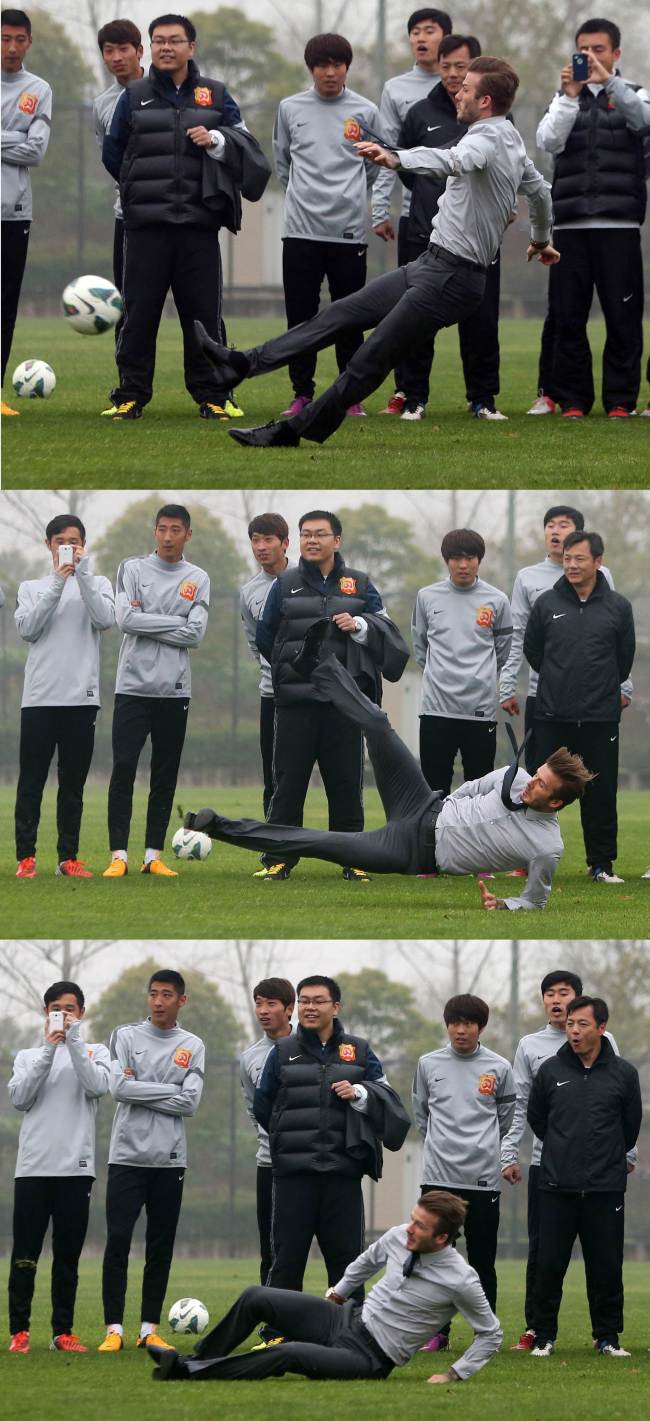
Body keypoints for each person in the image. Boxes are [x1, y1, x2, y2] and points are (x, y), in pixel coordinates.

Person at [195, 57, 558, 447]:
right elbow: (539, 192)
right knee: (339, 314)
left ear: (485, 101)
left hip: (453, 278)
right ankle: (242, 364)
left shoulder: (483, 140)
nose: (458, 91)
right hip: (430, 265)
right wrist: (539, 238)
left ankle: (292, 431)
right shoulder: (510, 138)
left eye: (466, 88)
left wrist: (398, 156)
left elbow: (452, 160)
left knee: (371, 356)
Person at [186, 650, 595, 911]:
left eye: (542, 786)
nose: (531, 785)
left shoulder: (547, 847)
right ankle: (319, 664)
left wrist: (505, 905)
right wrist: (449, 807)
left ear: (557, 803)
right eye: (537, 775)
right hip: (421, 803)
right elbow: (473, 788)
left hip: (408, 851)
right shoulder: (517, 776)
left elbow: (536, 901)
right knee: (379, 725)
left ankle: (215, 825)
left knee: (314, 842)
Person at [148, 1190, 503, 1382]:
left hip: (368, 1357)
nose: (409, 1228)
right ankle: (198, 1358)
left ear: (442, 1238)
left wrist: (454, 1373)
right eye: (412, 1219)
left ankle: (186, 1372)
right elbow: (367, 1261)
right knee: (255, 1296)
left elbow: (490, 1334)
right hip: (344, 1319)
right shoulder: (399, 1236)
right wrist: (338, 1292)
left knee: (286, 1353)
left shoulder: (461, 1279)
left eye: (420, 1226)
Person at [100, 12, 254, 421]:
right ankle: (130, 395)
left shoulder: (216, 94)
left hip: (198, 226)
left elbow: (245, 143)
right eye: (158, 41)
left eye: (174, 40)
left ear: (192, 47)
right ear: (151, 48)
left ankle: (213, 395)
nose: (166, 47)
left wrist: (216, 139)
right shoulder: (133, 96)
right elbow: (113, 153)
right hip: (145, 227)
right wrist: (138, 190)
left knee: (203, 315)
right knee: (139, 313)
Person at [252, 508, 407, 883]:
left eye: (320, 534)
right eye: (306, 534)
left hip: (343, 702)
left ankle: (353, 859)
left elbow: (387, 630)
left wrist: (360, 625)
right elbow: (265, 637)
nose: (312, 541)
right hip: (295, 704)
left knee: (345, 784)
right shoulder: (284, 583)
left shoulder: (360, 583)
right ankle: (279, 858)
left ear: (337, 540)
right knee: (288, 784)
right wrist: (291, 668)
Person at [501, 969, 635, 1352]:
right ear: (544, 1001)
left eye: (566, 995)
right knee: (545, 1258)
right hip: (552, 1173)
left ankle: (606, 1337)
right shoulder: (536, 1053)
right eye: (551, 994)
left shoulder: (616, 1059)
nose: (558, 1002)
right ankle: (538, 1333)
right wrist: (522, 1150)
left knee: (606, 1262)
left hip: (604, 1179)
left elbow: (626, 1117)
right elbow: (529, 1110)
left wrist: (620, 1153)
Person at [535, 17, 650, 418]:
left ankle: (620, 401)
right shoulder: (564, 98)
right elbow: (548, 140)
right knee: (569, 318)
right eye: (583, 50)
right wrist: (569, 95)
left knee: (623, 317)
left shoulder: (636, 94)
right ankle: (573, 400)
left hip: (619, 226)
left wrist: (611, 83)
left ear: (616, 53)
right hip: (570, 226)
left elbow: (644, 122)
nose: (590, 57)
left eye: (598, 49)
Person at [250, 974, 388, 1300]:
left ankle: (350, 1333)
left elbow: (386, 1099)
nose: (310, 1008)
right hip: (292, 1177)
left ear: (335, 1007)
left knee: (347, 1264)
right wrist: (289, 1139)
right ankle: (279, 1332)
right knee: (286, 1260)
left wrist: (359, 1094)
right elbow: (263, 1105)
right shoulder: (283, 1051)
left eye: (318, 1001)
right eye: (305, 1001)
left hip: (343, 1175)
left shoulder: (359, 1051)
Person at [396, 34, 507, 421]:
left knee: (481, 324)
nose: (454, 75)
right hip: (427, 236)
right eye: (447, 67)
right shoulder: (419, 114)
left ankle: (482, 400)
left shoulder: (492, 121)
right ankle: (414, 398)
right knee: (416, 322)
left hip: (479, 243)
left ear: (476, 71)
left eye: (462, 67)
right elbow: (411, 169)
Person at [273, 32, 382, 419]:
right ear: (311, 68)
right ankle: (301, 393)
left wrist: (350, 199)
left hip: (348, 231)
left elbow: (374, 166)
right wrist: (303, 199)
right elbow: (283, 163)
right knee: (299, 318)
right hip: (300, 231)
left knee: (350, 318)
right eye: (322, 65)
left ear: (347, 68)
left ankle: (348, 395)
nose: (330, 72)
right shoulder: (289, 108)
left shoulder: (366, 112)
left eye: (337, 64)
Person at [99, 969, 205, 1352]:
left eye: (167, 995)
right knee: (118, 1242)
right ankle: (114, 1330)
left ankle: (148, 1329)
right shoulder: (125, 1036)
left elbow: (190, 1103)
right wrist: (169, 1089)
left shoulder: (192, 1044)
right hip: (126, 1157)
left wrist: (139, 1089)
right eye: (153, 994)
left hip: (170, 1162)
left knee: (160, 1248)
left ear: (181, 1000)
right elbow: (119, 1088)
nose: (158, 1001)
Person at [102, 504, 209, 878]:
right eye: (162, 529)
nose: (167, 536)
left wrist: (147, 621)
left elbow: (195, 635)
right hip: (132, 687)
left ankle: (152, 856)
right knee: (124, 769)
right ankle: (119, 856)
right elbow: (125, 621)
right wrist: (175, 620)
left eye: (175, 530)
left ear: (187, 535)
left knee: (164, 776)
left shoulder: (198, 577)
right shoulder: (132, 569)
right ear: (154, 532)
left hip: (174, 692)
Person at [523, 530, 635, 884]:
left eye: (579, 559)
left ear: (598, 562)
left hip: (600, 718)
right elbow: (534, 651)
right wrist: (561, 680)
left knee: (601, 794)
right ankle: (531, 860)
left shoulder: (618, 607)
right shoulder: (547, 604)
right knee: (541, 790)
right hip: (553, 715)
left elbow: (624, 658)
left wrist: (598, 687)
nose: (571, 564)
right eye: (567, 558)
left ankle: (601, 864)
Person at [8, 980, 110, 1354]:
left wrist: (73, 1043)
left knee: (67, 1259)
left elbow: (97, 1086)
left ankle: (61, 1333)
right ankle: (19, 1332)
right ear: (45, 1012)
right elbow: (20, 1098)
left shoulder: (96, 1051)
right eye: (55, 1008)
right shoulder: (26, 1056)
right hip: (33, 1169)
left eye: (69, 1009)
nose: (63, 1015)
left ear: (81, 1013)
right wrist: (50, 1049)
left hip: (76, 1170)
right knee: (25, 1256)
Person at [14, 513, 115, 880]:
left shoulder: (99, 583)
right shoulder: (31, 587)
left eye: (74, 541)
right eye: (60, 542)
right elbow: (28, 629)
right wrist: (58, 580)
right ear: (49, 545)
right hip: (39, 699)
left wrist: (81, 574)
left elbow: (105, 619)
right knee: (31, 783)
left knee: (72, 786)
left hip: (82, 700)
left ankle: (67, 859)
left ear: (84, 545)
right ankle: (25, 858)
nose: (67, 547)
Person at [413, 994, 515, 1352]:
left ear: (480, 1027)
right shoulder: (428, 1064)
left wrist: (486, 1150)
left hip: (482, 1179)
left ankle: (485, 1333)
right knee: (433, 1261)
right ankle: (436, 1334)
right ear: (447, 1025)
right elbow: (421, 1114)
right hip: (438, 1179)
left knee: (483, 1260)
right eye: (454, 1022)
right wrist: (442, 1147)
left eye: (468, 1023)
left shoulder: (499, 1068)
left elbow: (506, 1120)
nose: (461, 1030)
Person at [499, 505, 631, 775]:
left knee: (596, 784)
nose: (555, 531)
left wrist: (623, 685)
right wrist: (508, 684)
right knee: (540, 780)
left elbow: (615, 637)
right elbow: (522, 636)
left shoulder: (602, 576)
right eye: (550, 525)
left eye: (564, 525)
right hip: (544, 699)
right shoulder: (528, 577)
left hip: (596, 702)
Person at [372, 9, 452, 416]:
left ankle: (481, 396)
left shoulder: (465, 86)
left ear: (447, 39)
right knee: (411, 307)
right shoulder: (397, 89)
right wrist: (379, 209)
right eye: (415, 32)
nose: (421, 38)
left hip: (464, 222)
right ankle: (407, 391)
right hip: (414, 216)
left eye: (430, 31)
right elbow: (388, 150)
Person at [412, 528, 512, 795]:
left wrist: (482, 677)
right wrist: (440, 675)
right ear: (447, 560)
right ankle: (433, 839)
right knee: (433, 792)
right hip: (436, 710)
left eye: (470, 558)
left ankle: (474, 839)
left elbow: (503, 651)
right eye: (456, 558)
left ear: (480, 560)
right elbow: (421, 646)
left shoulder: (497, 600)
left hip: (479, 710)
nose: (463, 565)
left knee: (479, 793)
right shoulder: (427, 597)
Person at [1, 8, 52, 417]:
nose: (12, 47)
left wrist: (20, 140)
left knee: (5, 307)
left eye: (19, 39)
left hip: (13, 213)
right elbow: (22, 141)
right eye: (5, 38)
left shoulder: (39, 88)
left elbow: (35, 151)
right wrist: (14, 134)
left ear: (29, 42)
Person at [239, 976, 295, 1324]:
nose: (263, 1010)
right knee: (270, 1249)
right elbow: (252, 1108)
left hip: (306, 1165)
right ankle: (274, 1325)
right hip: (268, 1164)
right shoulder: (249, 1058)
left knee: (304, 1248)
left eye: (271, 1003)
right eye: (259, 1002)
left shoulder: (310, 1048)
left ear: (289, 1009)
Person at [239, 513, 293, 815]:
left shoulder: (308, 579)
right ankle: (274, 848)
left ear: (285, 543)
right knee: (273, 774)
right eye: (255, 540)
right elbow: (254, 641)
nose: (261, 546)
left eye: (268, 539)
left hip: (313, 693)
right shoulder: (249, 592)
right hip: (272, 694)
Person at [93, 18, 144, 294]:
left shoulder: (165, 90)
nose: (116, 57)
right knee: (128, 302)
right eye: (109, 50)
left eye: (123, 49)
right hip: (128, 212)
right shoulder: (101, 104)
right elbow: (109, 156)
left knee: (195, 303)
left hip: (175, 213)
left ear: (140, 51)